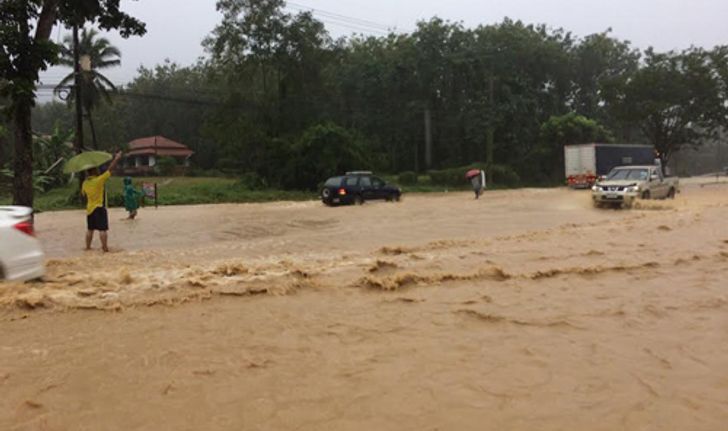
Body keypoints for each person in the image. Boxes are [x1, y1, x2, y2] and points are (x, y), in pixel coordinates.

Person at [82, 151, 122, 252]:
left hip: (89, 209)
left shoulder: (85, 183)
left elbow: (83, 194)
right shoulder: (99, 180)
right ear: (94, 171)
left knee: (90, 229)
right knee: (102, 229)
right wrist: (116, 159)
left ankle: (87, 247)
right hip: (99, 207)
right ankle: (105, 248)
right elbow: (110, 169)